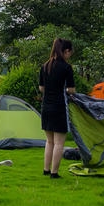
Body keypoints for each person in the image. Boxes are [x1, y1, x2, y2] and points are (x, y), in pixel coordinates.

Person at [39, 38, 76, 179]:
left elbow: (41, 88)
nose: (69, 55)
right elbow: (71, 90)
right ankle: (54, 173)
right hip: (59, 107)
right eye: (70, 53)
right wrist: (65, 91)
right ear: (66, 51)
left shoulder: (45, 66)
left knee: (49, 141)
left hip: (46, 107)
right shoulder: (66, 67)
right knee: (59, 142)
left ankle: (46, 170)